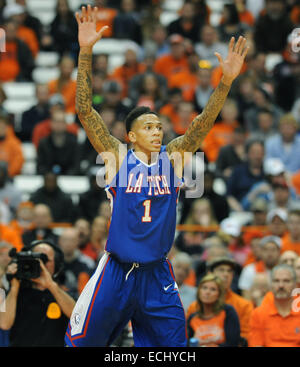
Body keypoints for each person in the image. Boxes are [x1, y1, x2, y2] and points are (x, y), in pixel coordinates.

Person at [65, 5, 248, 347]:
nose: (157, 131)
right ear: (131, 135)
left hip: (157, 272)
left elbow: (201, 125)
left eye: (160, 127)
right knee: (80, 344)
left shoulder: (174, 157)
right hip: (117, 270)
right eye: (148, 127)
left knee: (173, 349)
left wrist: (224, 83)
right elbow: (85, 111)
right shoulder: (117, 155)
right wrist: (85, 51)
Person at [0, 240, 75, 346]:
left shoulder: (65, 294)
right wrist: (14, 287)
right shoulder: (15, 292)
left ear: (56, 264)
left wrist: (50, 285)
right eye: (36, 259)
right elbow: (4, 324)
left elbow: (77, 316)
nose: (41, 264)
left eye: (45, 260)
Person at [187, 257, 254, 343]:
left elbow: (245, 337)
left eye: (229, 271)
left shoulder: (244, 305)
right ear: (210, 273)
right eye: (221, 270)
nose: (226, 274)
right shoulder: (194, 308)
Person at [249, 264, 300, 347]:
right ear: (270, 285)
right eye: (276, 281)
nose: (281, 285)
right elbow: (256, 344)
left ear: (295, 285)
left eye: (286, 281)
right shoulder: (258, 314)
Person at [187, 273, 240, 347]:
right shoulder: (192, 318)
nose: (207, 292)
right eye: (204, 288)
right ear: (199, 291)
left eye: (213, 289)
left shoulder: (228, 312)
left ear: (219, 294)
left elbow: (232, 343)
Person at [36, 110, 80, 175]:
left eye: (61, 122)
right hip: (48, 178)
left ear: (66, 124)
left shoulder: (74, 142)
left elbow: (76, 166)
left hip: (69, 179)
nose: (59, 125)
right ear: (51, 123)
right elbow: (40, 166)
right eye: (56, 121)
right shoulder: (43, 142)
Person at [59, 227, 94, 300]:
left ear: (77, 242)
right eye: (65, 240)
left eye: (72, 240)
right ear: (59, 241)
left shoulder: (88, 263)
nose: (68, 244)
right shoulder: (53, 262)